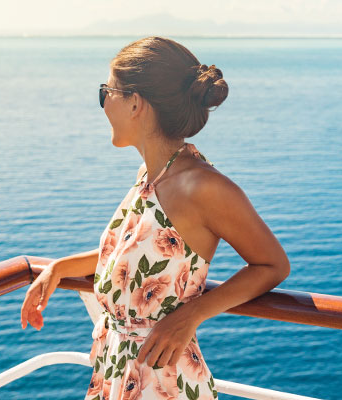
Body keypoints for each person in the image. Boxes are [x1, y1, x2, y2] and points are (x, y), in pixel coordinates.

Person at [19, 36, 290, 400]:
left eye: (106, 92)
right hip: (117, 371)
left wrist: (191, 315)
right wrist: (59, 268)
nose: (102, 105)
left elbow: (272, 264)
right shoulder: (151, 177)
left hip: (163, 383)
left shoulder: (203, 187)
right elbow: (136, 262)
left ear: (135, 103)